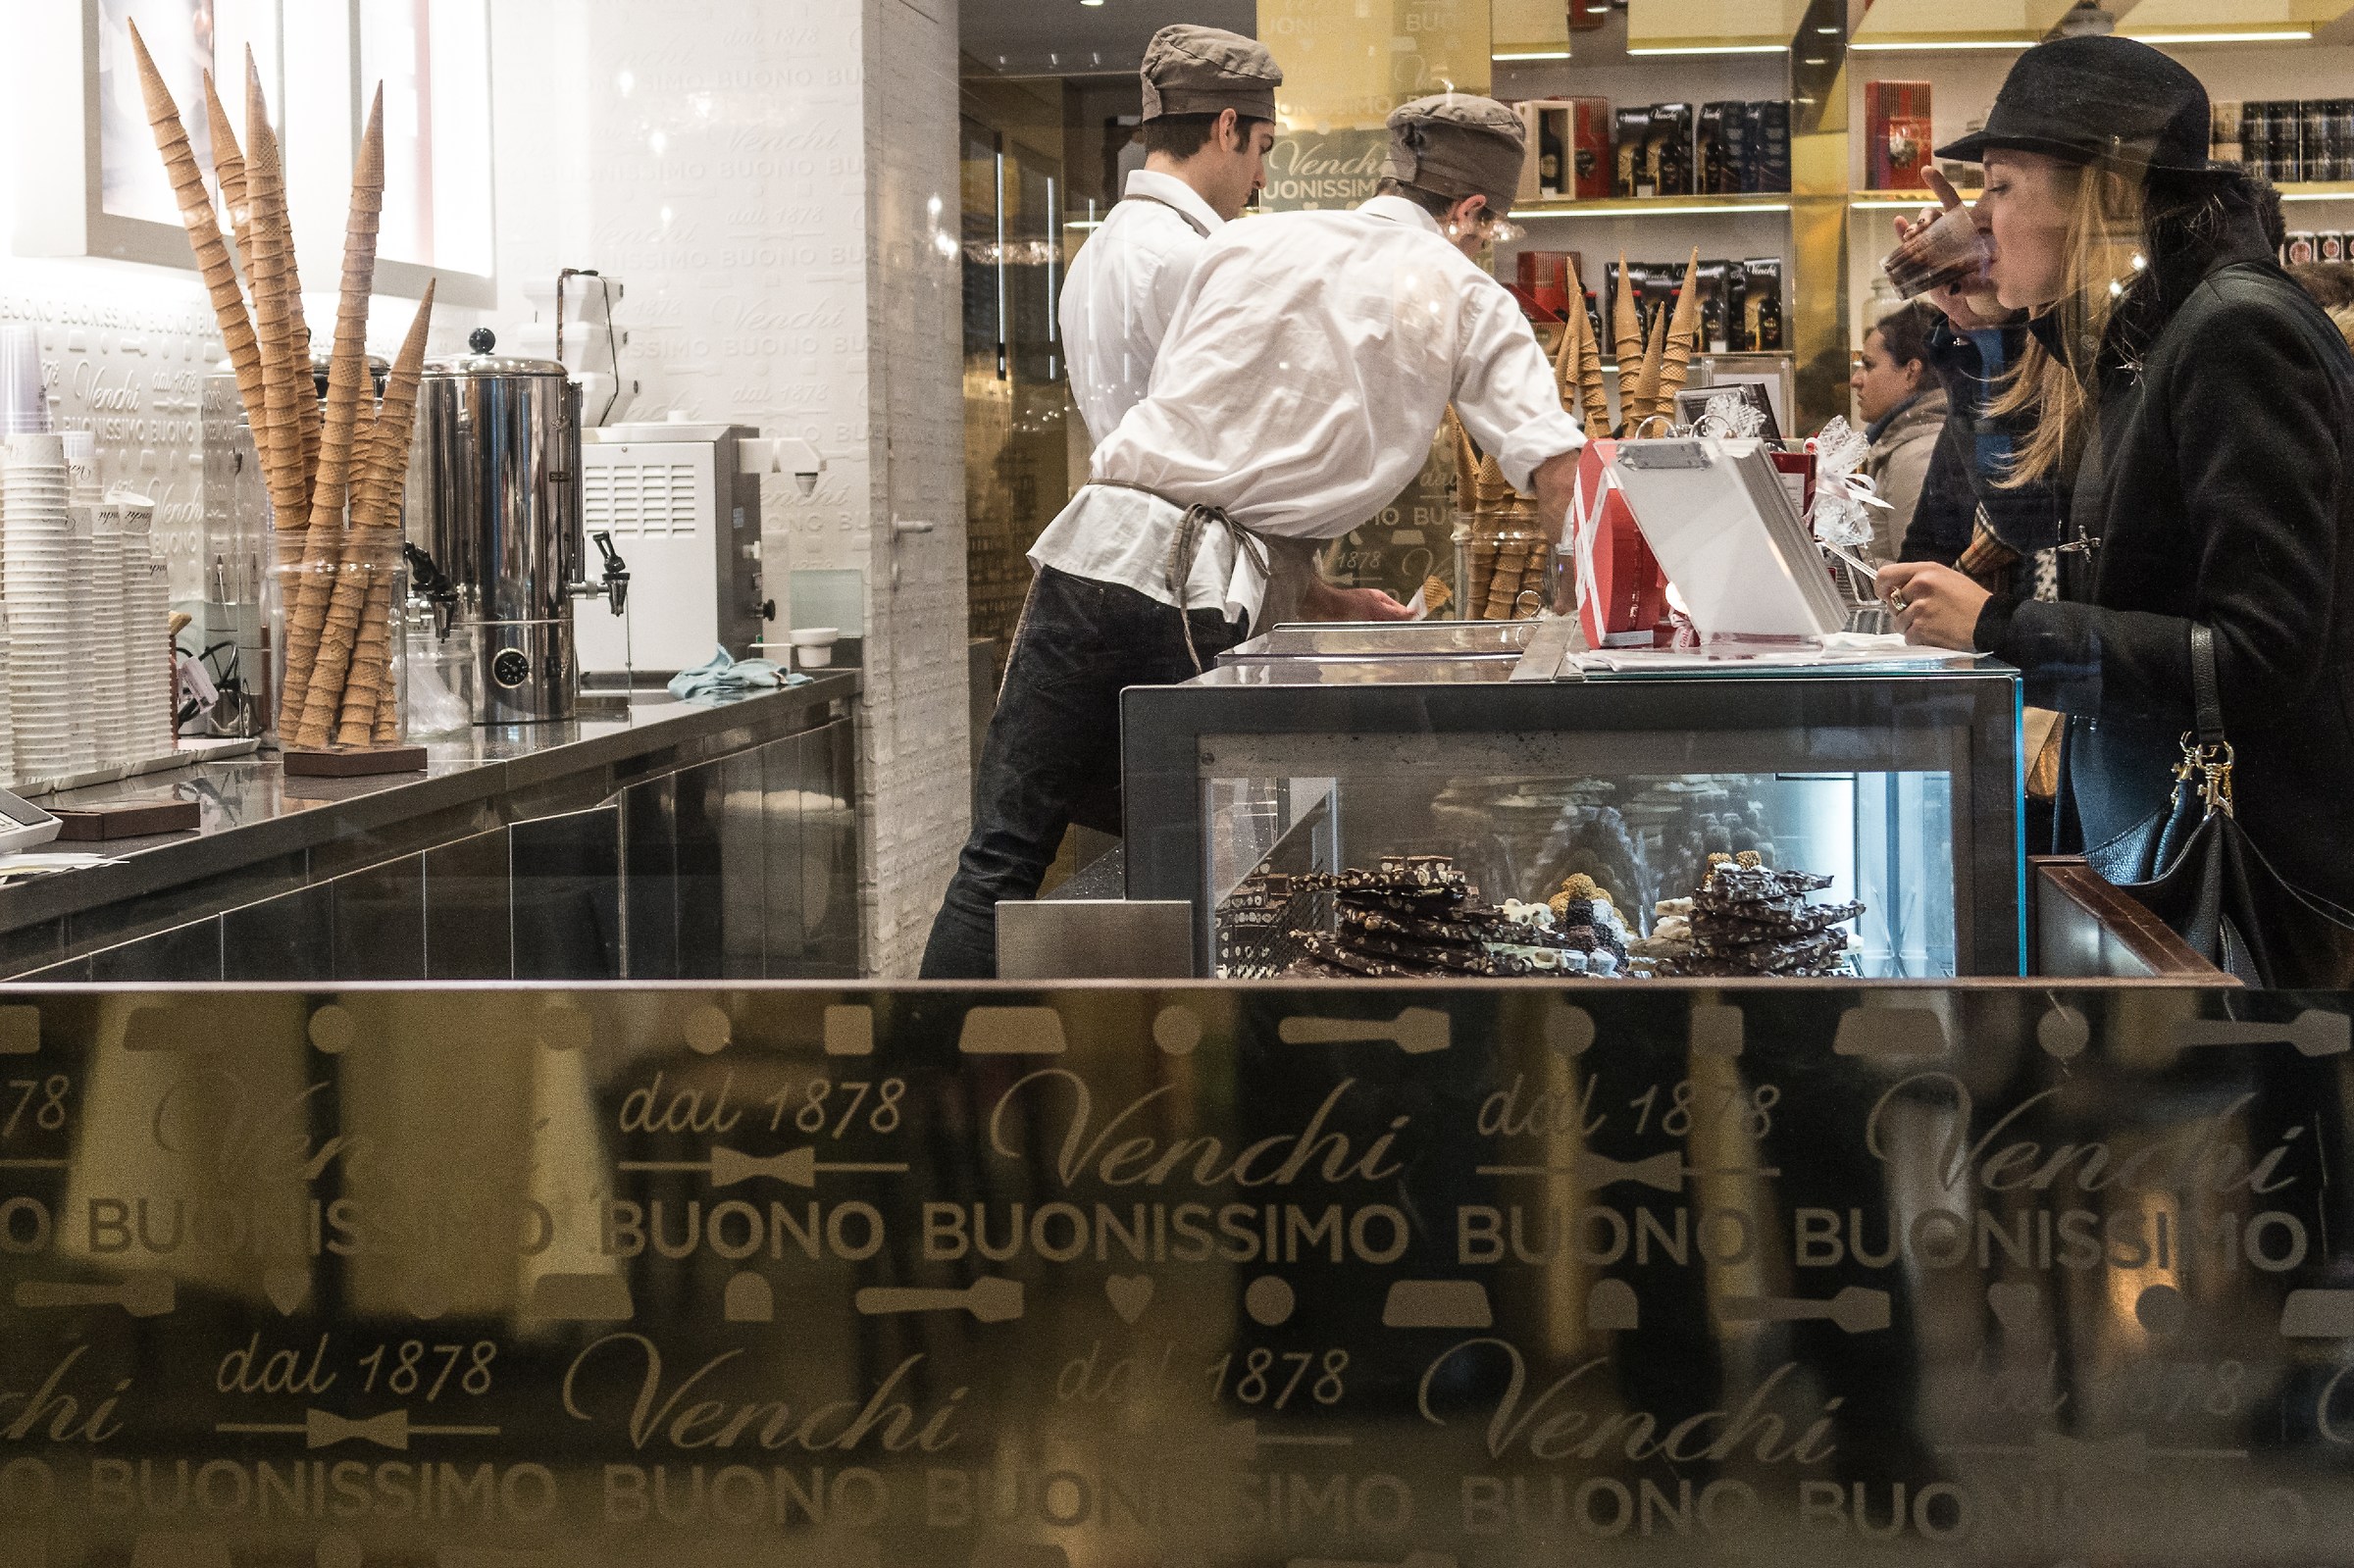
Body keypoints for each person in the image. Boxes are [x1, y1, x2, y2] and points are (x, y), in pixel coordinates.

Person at [923, 95, 1587, 979]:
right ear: (1470, 212)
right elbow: (1557, 475)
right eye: (1491, 228)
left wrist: (1329, 600)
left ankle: (933, 1067)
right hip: (1195, 605)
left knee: (998, 861)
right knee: (1212, 885)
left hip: (1089, 555)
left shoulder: (1247, 242)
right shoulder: (1466, 294)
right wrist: (1592, 613)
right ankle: (1184, 1060)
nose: (1486, 244)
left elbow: (1207, 451)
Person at [1875, 35, 2354, 986]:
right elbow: (2033, 520)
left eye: (2001, 186)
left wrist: (2004, 630)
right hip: (2162, 843)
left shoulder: (2234, 331)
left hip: (2252, 875)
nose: (1978, 219)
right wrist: (1983, 338)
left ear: (2099, 193)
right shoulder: (2149, 335)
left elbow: (2260, 658)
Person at [1059, 25, 1280, 449]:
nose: (1261, 178)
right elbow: (1244, 434)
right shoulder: (1188, 258)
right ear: (1227, 129)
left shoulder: (1093, 251)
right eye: (1262, 147)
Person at [1849, 305, 1947, 561]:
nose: (1856, 380)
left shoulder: (1918, 455)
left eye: (1868, 365)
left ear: (1911, 372)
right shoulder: (1906, 444)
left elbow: (1918, 573)